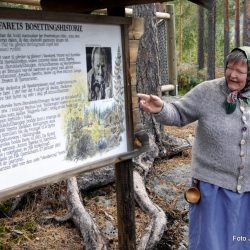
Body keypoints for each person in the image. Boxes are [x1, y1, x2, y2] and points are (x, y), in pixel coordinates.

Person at [138, 46, 250, 250]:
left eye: (240, 71)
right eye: (229, 68)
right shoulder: (208, 91)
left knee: (241, 242)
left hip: (247, 191)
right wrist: (161, 108)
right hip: (211, 188)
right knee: (209, 244)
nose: (232, 75)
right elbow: (179, 113)